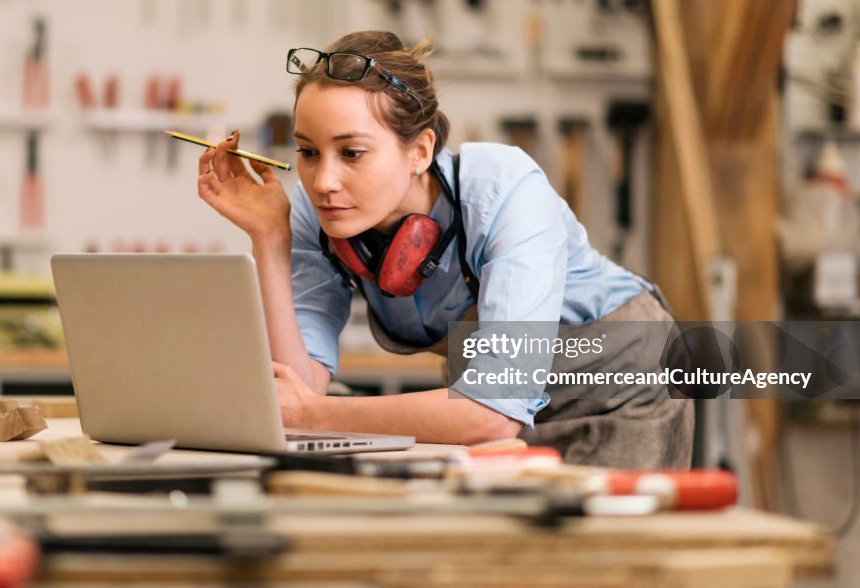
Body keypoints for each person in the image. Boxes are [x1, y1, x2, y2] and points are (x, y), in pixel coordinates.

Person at [197, 30, 693, 468]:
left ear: (420, 150)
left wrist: (317, 413)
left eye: (352, 153)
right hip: (495, 408)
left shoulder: (504, 190)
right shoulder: (316, 214)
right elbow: (298, 392)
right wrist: (271, 240)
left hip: (621, 385)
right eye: (308, 152)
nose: (323, 181)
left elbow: (493, 411)